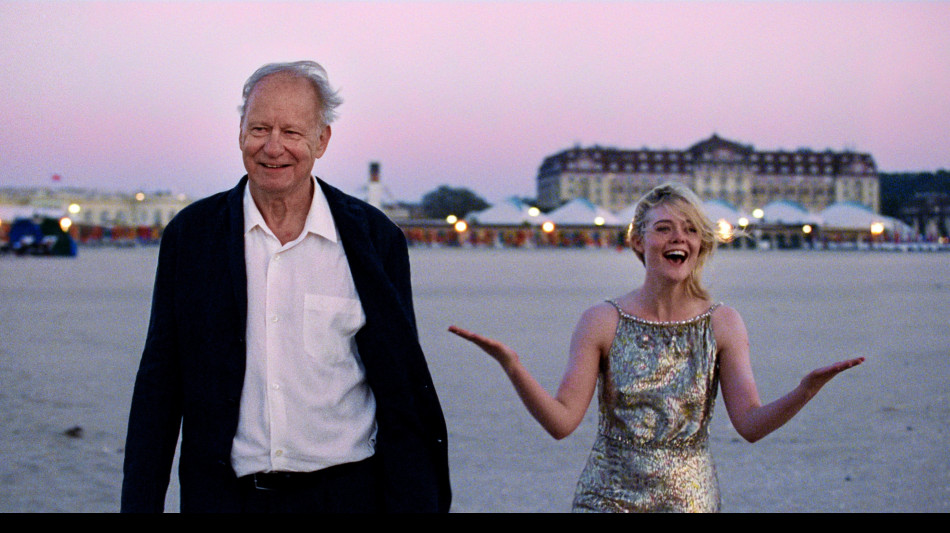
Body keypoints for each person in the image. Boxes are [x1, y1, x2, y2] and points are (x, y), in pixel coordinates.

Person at [121, 61, 450, 513]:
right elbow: (159, 385)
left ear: (322, 140)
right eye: (259, 128)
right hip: (225, 498)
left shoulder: (375, 240)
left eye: (292, 132)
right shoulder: (191, 236)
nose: (273, 147)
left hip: (347, 497)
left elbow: (401, 390)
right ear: (240, 132)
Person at [449, 182, 863, 512]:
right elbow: (562, 422)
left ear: (700, 244)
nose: (678, 237)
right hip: (606, 498)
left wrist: (805, 390)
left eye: (690, 229)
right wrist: (513, 366)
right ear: (637, 241)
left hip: (690, 501)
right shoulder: (601, 320)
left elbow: (750, 425)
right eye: (664, 228)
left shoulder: (723, 323)